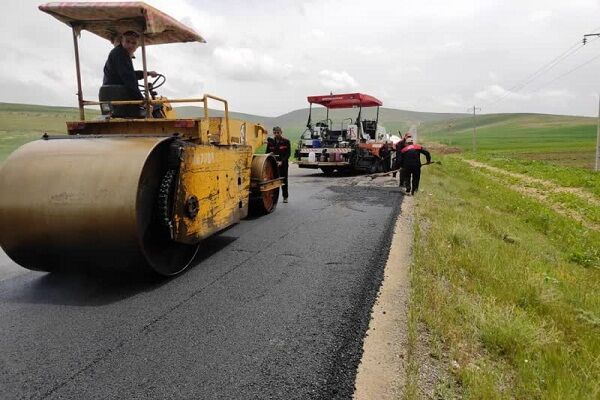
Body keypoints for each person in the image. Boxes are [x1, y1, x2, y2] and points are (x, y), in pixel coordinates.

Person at [103, 31, 159, 101]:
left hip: (113, 94)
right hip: (117, 95)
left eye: (134, 43)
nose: (130, 45)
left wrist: (148, 73)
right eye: (127, 41)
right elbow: (129, 79)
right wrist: (142, 100)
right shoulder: (120, 54)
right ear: (122, 42)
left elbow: (131, 74)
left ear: (137, 46)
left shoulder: (120, 54)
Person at [266, 126, 291, 203]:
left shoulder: (286, 141)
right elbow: (267, 153)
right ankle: (273, 198)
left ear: (281, 132)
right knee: (273, 182)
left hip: (283, 164)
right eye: (275, 133)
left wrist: (282, 162)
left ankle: (285, 197)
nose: (276, 134)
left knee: (284, 181)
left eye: (278, 132)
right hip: (273, 165)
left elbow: (288, 154)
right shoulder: (270, 142)